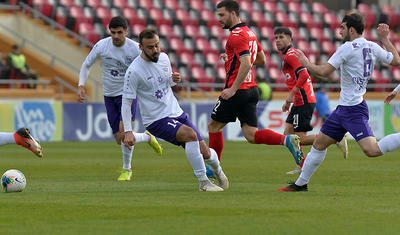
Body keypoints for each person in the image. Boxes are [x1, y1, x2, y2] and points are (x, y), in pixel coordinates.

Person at [278, 11, 400, 192]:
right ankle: (301, 184)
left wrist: (306, 63)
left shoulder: (347, 48)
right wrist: (385, 39)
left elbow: (324, 71)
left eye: (342, 27)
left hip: (353, 110)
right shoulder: (372, 46)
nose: (339, 30)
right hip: (343, 110)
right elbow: (396, 60)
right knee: (319, 144)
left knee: (372, 150)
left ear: (351, 29)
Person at [122, 28, 227, 192]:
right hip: (157, 120)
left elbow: (166, 82)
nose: (155, 50)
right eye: (150, 47)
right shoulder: (133, 71)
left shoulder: (163, 58)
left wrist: (173, 79)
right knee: (190, 135)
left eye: (157, 45)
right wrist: (128, 130)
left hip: (176, 112)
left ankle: (218, 171)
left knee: (205, 152)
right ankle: (203, 182)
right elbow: (127, 102)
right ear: (141, 48)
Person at [208, 0, 303, 167]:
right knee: (251, 135)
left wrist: (232, 89)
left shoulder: (236, 35)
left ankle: (212, 169)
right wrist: (232, 58)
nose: (219, 19)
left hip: (238, 91)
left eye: (222, 15)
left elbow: (246, 63)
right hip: (252, 89)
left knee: (213, 126)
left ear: (233, 13)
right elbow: (261, 59)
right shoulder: (250, 33)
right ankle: (286, 140)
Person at [77, 16, 162, 182]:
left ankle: (126, 169)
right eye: (113, 32)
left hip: (127, 94)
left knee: (124, 132)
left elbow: (150, 65)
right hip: (109, 94)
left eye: (120, 32)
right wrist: (81, 85)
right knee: (119, 139)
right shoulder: (102, 46)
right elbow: (87, 64)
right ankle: (146, 137)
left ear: (126, 32)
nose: (116, 36)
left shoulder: (134, 49)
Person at [275, 27, 348, 175]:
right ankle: (302, 166)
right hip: (300, 100)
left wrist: (291, 96)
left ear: (290, 39)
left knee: (298, 139)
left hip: (303, 100)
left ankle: (334, 138)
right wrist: (290, 100)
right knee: (288, 135)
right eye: (276, 37)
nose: (278, 40)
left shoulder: (291, 55)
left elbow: (303, 75)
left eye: (281, 37)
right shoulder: (289, 55)